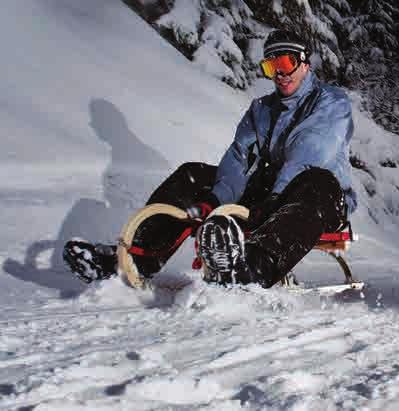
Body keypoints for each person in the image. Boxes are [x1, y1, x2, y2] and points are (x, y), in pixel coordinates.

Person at [64, 29, 356, 288]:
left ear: (304, 62)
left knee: (317, 181)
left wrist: (275, 198)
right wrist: (215, 200)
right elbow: (240, 158)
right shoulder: (262, 109)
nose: (279, 73)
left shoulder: (330, 102)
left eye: (285, 63)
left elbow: (309, 153)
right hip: (269, 196)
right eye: (271, 66)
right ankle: (135, 258)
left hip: (321, 200)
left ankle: (251, 267)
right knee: (193, 174)